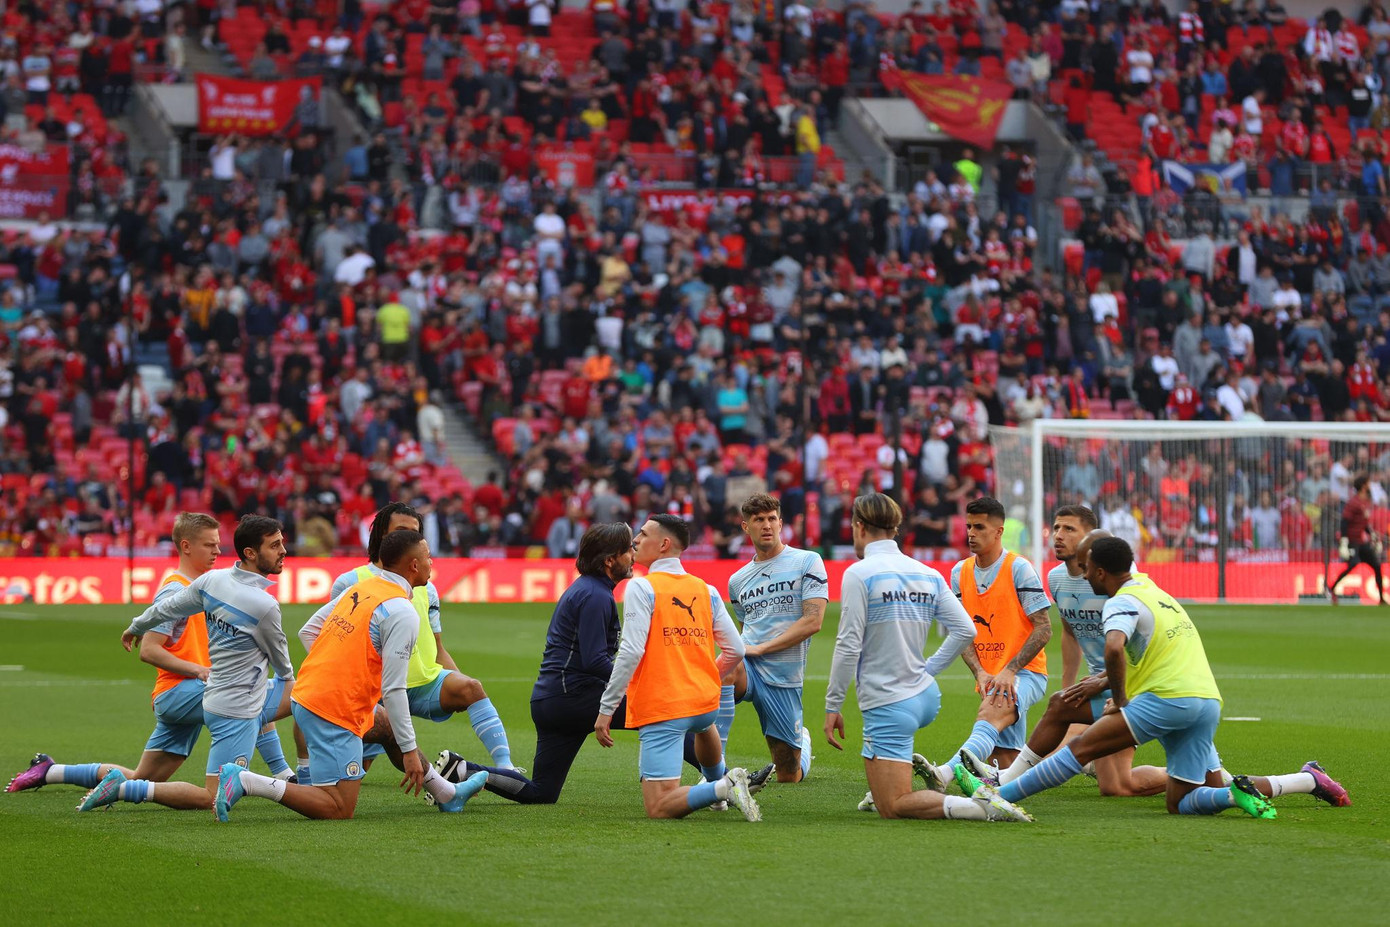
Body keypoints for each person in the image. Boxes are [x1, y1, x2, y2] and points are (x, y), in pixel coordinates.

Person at [957, 537, 1351, 816]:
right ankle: (1302, 781)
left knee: (1081, 749)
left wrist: (1121, 702)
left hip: (1165, 700)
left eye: (1088, 568)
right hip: (1205, 701)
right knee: (1184, 802)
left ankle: (997, 797)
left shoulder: (1120, 602)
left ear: (1100, 571)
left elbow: (1114, 647)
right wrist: (1108, 684)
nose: (1084, 574)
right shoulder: (1153, 590)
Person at [7, 513, 293, 801]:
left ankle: (50, 771)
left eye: (218, 544)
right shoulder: (176, 588)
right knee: (255, 691)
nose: (217, 551)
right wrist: (197, 669)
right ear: (186, 546)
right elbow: (149, 649)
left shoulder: (213, 585)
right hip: (180, 691)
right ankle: (285, 775)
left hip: (188, 692)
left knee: (141, 778)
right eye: (209, 545)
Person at [217, 530, 488, 820]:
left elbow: (308, 631)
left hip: (310, 694)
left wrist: (338, 672)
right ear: (413, 565)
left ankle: (447, 794)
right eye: (428, 557)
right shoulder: (401, 611)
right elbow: (394, 690)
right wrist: (410, 751)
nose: (431, 562)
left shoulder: (364, 587)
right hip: (332, 708)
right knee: (338, 807)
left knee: (385, 726)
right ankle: (247, 781)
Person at [825, 493, 1031, 823]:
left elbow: (848, 645)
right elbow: (965, 629)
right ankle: (903, 780)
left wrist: (833, 705)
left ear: (859, 527)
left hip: (888, 700)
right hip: (924, 695)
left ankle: (981, 806)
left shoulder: (859, 573)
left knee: (893, 805)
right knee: (887, 795)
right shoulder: (927, 573)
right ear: (895, 528)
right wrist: (928, 669)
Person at [298, 503, 516, 780]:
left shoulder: (426, 586)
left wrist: (456, 679)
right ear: (383, 535)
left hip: (422, 683)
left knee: (471, 688)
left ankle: (507, 769)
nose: (411, 537)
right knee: (355, 774)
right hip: (376, 691)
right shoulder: (352, 581)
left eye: (416, 532)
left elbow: (437, 646)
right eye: (402, 530)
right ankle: (304, 775)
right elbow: (332, 636)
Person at [959, 516, 1166, 797]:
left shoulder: (1121, 584)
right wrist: (1070, 686)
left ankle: (999, 782)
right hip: (1102, 684)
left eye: (1069, 529)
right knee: (1067, 726)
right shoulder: (1056, 578)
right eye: (1056, 527)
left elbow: (1127, 649)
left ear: (1090, 539)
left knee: (1104, 777)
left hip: (1131, 684)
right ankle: (1009, 777)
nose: (1058, 535)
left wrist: (1113, 689)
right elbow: (1069, 631)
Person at [594, 514, 761, 820]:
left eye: (643, 534)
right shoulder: (706, 589)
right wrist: (710, 676)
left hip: (665, 706)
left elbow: (631, 651)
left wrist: (607, 708)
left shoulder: (642, 587)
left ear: (664, 544)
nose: (636, 541)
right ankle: (718, 786)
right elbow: (736, 649)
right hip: (703, 705)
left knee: (659, 806)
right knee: (703, 727)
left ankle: (724, 787)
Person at [917, 496, 1052, 788]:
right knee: (1006, 766)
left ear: (999, 531)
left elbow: (1044, 628)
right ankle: (1070, 759)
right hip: (989, 676)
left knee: (991, 711)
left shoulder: (1019, 568)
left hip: (1025, 673)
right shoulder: (959, 572)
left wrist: (1010, 670)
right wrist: (979, 672)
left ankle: (944, 774)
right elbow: (961, 632)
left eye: (979, 527)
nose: (971, 533)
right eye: (969, 526)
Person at [718, 492, 828, 783]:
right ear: (746, 527)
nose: (766, 525)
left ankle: (802, 742)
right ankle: (716, 773)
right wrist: (747, 650)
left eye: (771, 519)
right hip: (750, 666)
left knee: (788, 775)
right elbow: (746, 627)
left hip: (784, 677)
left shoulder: (807, 561)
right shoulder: (737, 580)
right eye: (758, 520)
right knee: (725, 669)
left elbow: (813, 621)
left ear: (780, 523)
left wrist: (763, 648)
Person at [1329, 475, 1386, 605]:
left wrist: (1372, 535)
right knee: (1353, 564)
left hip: (1360, 541)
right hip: (1352, 541)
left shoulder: (1365, 502)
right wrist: (1344, 541)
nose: (1370, 485)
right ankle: (1331, 589)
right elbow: (1345, 522)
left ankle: (1382, 599)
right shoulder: (1353, 502)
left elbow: (1363, 523)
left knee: (1376, 566)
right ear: (1363, 486)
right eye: (1368, 483)